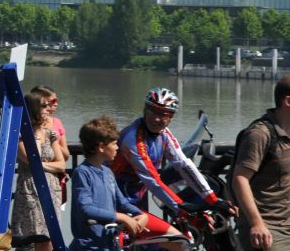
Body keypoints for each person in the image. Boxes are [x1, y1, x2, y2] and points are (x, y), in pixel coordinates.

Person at [70, 115, 185, 251]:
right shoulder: (82, 173)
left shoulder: (107, 172)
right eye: (114, 144)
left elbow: (122, 202)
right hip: (89, 245)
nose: (117, 147)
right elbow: (86, 208)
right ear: (101, 147)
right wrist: (122, 217)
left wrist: (139, 214)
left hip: (108, 243)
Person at [111, 87, 227, 216]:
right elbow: (152, 179)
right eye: (152, 112)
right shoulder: (133, 139)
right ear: (145, 110)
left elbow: (183, 164)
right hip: (110, 197)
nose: (156, 119)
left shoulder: (164, 134)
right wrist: (180, 207)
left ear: (171, 117)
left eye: (163, 115)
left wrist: (212, 199)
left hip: (133, 196)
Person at [229, 75, 290, 250]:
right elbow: (239, 179)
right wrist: (257, 224)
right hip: (267, 227)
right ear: (288, 101)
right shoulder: (260, 134)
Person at [11, 91, 66, 251]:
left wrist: (40, 165)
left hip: (51, 189)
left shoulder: (51, 134)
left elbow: (61, 165)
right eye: (44, 105)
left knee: (49, 238)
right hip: (30, 189)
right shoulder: (20, 134)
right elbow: (30, 158)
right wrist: (34, 132)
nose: (48, 109)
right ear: (33, 109)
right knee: (29, 239)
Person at [32, 85, 69, 208]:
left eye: (56, 101)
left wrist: (52, 140)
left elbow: (66, 155)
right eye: (52, 101)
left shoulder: (56, 123)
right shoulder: (29, 125)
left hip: (55, 176)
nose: (55, 104)